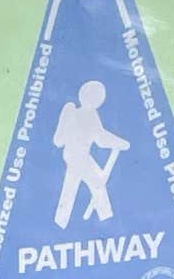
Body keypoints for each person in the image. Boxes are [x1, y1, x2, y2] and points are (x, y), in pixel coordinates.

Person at [52, 75, 128, 227]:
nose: (96, 100)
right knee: (82, 184)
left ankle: (104, 217)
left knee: (92, 183)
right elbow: (58, 140)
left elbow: (100, 137)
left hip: (83, 156)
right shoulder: (72, 111)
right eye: (93, 96)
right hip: (74, 155)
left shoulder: (93, 115)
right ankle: (63, 222)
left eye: (98, 97)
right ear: (83, 95)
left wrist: (119, 143)